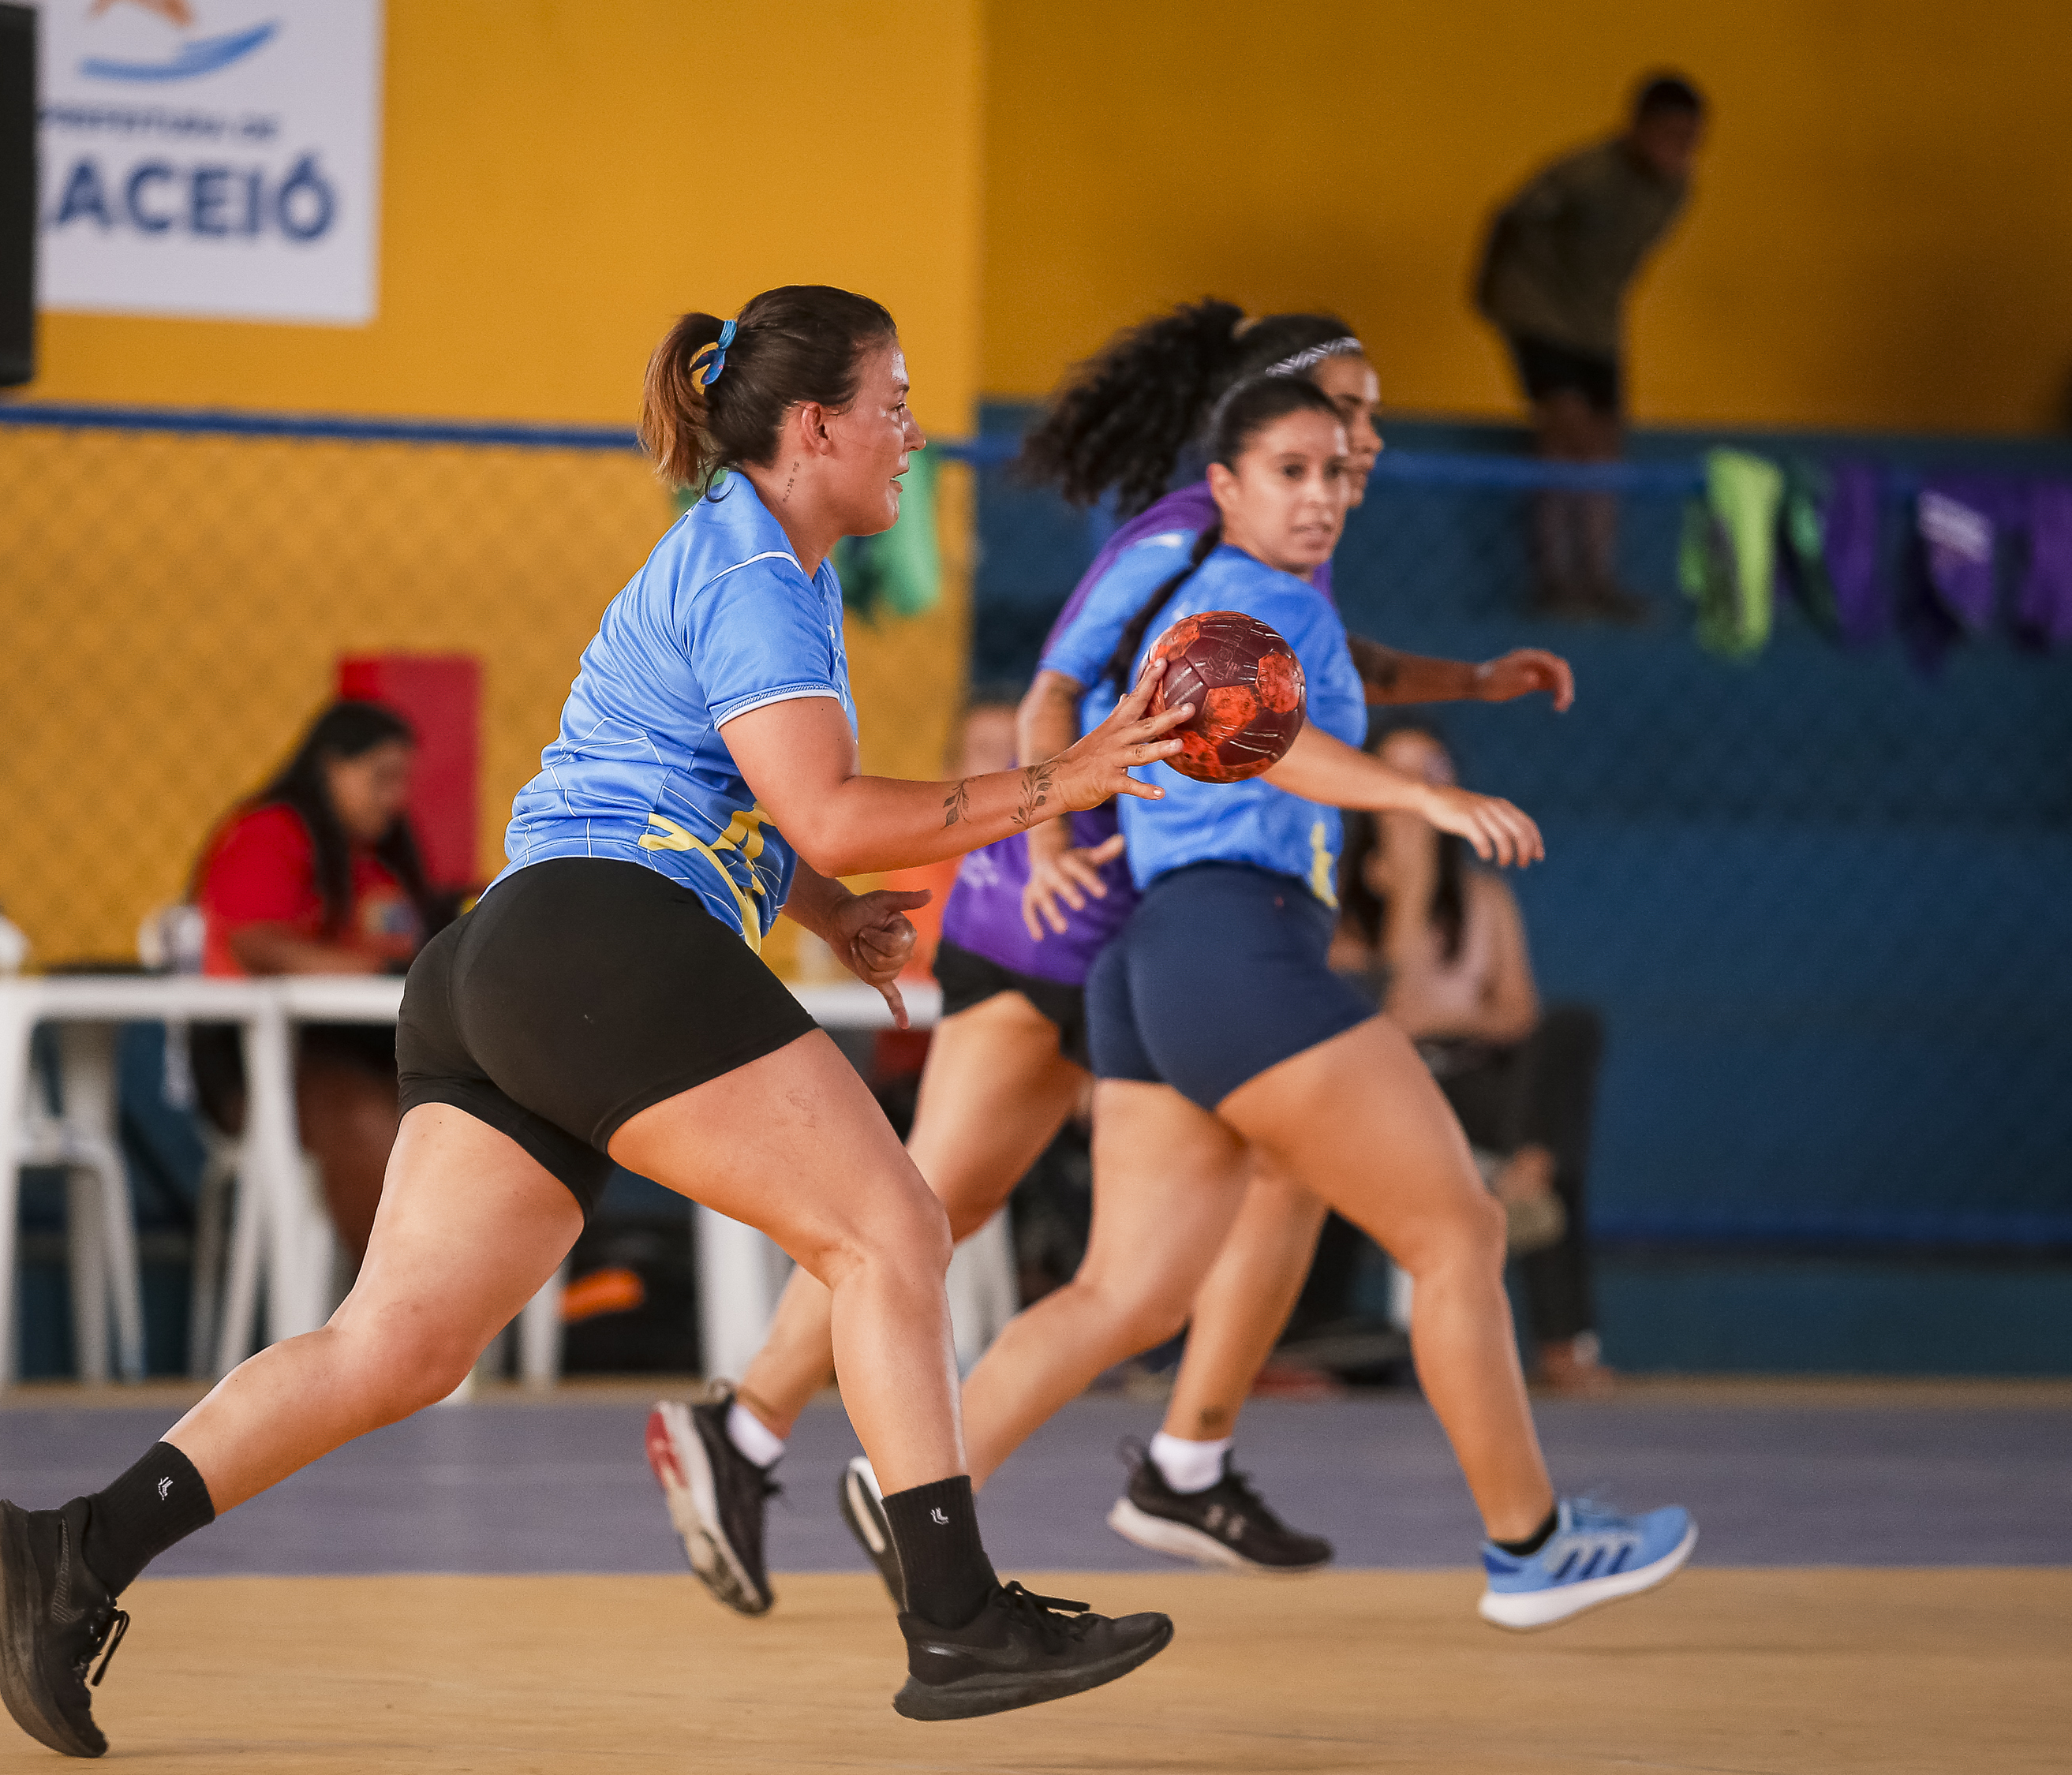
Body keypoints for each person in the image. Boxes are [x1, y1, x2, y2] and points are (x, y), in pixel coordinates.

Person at [0, 285, 1194, 1756]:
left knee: (397, 1348)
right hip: (599, 943)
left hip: (508, 955)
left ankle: (76, 1556)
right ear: (815, 427)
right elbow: (823, 803)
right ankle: (954, 1614)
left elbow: (731, 799)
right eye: (894, 401)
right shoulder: (752, 568)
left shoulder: (765, 563)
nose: (915, 432)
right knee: (891, 1231)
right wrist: (1070, 778)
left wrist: (823, 912)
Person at [649, 300, 1578, 1609]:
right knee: (933, 1205)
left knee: (1273, 1173)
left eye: (1366, 420)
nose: (1367, 435)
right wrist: (1069, 809)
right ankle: (745, 1432)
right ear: (1267, 418)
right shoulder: (1188, 533)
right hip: (1057, 907)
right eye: (1348, 409)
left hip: (1125, 916)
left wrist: (1467, 684)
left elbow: (1321, 677)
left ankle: (1189, 1458)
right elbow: (1060, 679)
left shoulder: (1273, 550)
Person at [861, 369, 1694, 1632]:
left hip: (1159, 959)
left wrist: (1465, 685)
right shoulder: (1238, 595)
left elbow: (1309, 687)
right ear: (1227, 486)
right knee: (1457, 1230)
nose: (1321, 494)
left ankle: (916, 1485)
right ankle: (1530, 1544)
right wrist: (1416, 795)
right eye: (1293, 469)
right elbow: (1245, 726)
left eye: (1339, 472)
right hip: (1229, 939)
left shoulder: (1275, 600)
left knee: (1126, 1290)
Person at [1334, 721, 1612, 1396]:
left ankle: (1526, 1179)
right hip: (1386, 1087)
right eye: (1401, 773)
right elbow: (1379, 1017)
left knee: (1570, 1035)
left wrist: (1451, 1020)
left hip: (1474, 1076)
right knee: (1540, 1136)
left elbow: (1519, 1012)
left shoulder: (1485, 897)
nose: (1418, 792)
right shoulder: (1337, 898)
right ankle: (1529, 1172)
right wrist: (1411, 891)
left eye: (1433, 773)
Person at [189, 699, 446, 1259]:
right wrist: (372, 970)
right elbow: (256, 944)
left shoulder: (381, 860)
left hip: (373, 1047)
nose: (396, 798)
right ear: (331, 766)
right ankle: (402, 1301)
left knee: (457, 1125)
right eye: (382, 778)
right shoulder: (271, 833)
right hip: (261, 1058)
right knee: (361, 1121)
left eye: (402, 781)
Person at [1475, 72, 1707, 619]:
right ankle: (1554, 580)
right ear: (1638, 128)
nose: (1677, 151)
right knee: (1566, 434)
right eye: (1667, 135)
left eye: (1689, 140)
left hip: (1596, 323)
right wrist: (1494, 293)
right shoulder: (1583, 176)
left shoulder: (1675, 191)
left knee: (1606, 445)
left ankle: (1599, 579)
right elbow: (1509, 219)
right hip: (1539, 309)